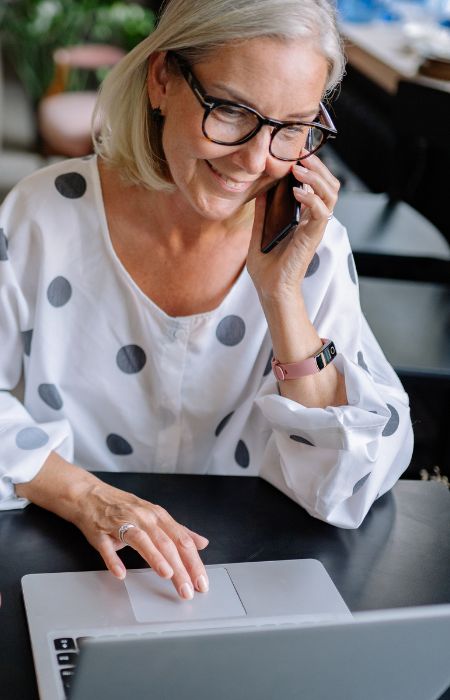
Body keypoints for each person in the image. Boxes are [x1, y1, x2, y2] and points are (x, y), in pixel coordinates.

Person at [0, 0, 413, 601]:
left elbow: (347, 484)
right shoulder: (43, 217)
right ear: (162, 77)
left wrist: (282, 294)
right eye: (231, 111)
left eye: (292, 127)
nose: (254, 159)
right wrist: (88, 496)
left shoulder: (308, 246)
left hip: (244, 578)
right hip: (64, 559)